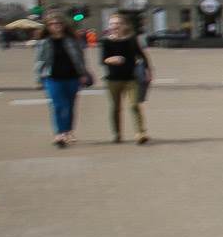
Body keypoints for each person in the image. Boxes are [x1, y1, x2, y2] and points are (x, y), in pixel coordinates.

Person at [34, 14, 90, 148]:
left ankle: (69, 130)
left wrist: (83, 74)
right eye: (52, 24)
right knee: (58, 105)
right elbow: (39, 61)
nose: (56, 26)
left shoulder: (72, 40)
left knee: (70, 105)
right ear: (48, 27)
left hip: (72, 77)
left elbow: (80, 58)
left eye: (58, 23)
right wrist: (38, 79)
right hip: (52, 78)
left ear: (63, 25)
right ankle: (60, 133)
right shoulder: (44, 42)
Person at [100, 14, 150, 145]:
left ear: (124, 25)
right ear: (109, 26)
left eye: (118, 23)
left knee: (134, 105)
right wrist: (113, 59)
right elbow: (103, 60)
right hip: (113, 80)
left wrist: (148, 70)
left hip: (131, 79)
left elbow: (142, 56)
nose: (115, 26)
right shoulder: (106, 41)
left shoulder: (131, 40)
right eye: (112, 24)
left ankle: (141, 133)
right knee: (116, 108)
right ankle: (117, 134)